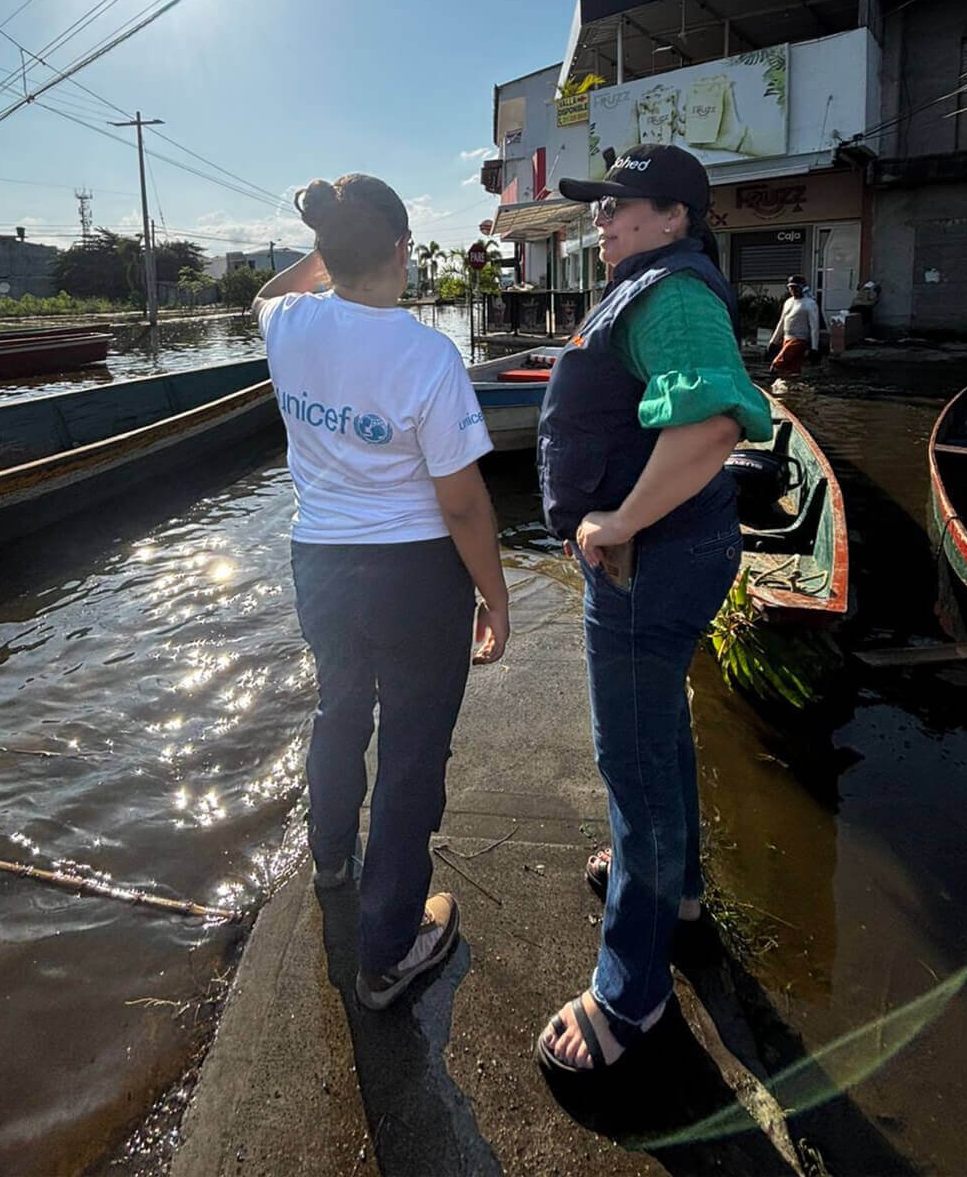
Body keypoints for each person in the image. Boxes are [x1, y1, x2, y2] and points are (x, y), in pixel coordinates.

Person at [534, 144, 771, 1074]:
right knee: (658, 730)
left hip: (651, 560)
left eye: (617, 207)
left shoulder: (671, 292)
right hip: (673, 556)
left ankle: (629, 997)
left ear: (674, 217)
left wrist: (616, 522)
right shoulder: (651, 285)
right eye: (598, 210)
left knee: (630, 763)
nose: (600, 222)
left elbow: (713, 423)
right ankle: (675, 895)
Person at [252, 173, 509, 1011]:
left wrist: (323, 248)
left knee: (338, 705)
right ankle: (389, 948)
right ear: (402, 250)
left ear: (325, 253)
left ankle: (331, 858)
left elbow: (269, 288)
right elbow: (463, 502)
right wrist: (494, 598)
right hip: (412, 575)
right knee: (409, 751)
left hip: (319, 559)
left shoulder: (286, 321)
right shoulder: (426, 355)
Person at [766, 276, 820, 378]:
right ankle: (790, 388)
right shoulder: (788, 302)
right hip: (786, 339)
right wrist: (773, 342)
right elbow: (781, 322)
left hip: (799, 340)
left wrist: (814, 348)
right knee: (792, 369)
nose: (793, 290)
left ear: (803, 288)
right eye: (790, 287)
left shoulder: (810, 304)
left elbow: (814, 328)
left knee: (777, 365)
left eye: (796, 287)